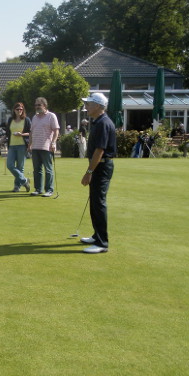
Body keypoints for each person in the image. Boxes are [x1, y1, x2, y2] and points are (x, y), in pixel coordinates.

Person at [80, 92, 116, 254]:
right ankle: (97, 236)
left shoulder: (103, 123)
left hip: (101, 166)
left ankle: (102, 243)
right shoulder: (98, 122)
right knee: (94, 201)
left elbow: (99, 151)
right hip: (98, 166)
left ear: (98, 106)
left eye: (89, 104)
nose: (86, 106)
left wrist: (89, 172)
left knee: (99, 203)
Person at [28, 97, 60, 197]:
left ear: (44, 106)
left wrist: (53, 143)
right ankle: (38, 189)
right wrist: (30, 144)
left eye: (39, 105)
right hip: (35, 147)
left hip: (46, 146)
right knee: (37, 169)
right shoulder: (34, 117)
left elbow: (56, 131)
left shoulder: (51, 116)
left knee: (48, 169)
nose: (37, 107)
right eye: (36, 105)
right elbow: (31, 132)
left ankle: (49, 190)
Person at [5, 102, 31, 192]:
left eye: (21, 109)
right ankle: (25, 181)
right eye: (17, 109)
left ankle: (17, 186)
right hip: (12, 145)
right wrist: (1, 141)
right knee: (10, 165)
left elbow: (31, 132)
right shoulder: (10, 120)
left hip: (22, 145)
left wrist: (22, 134)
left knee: (20, 167)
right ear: (14, 110)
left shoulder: (26, 120)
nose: (19, 111)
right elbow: (7, 133)